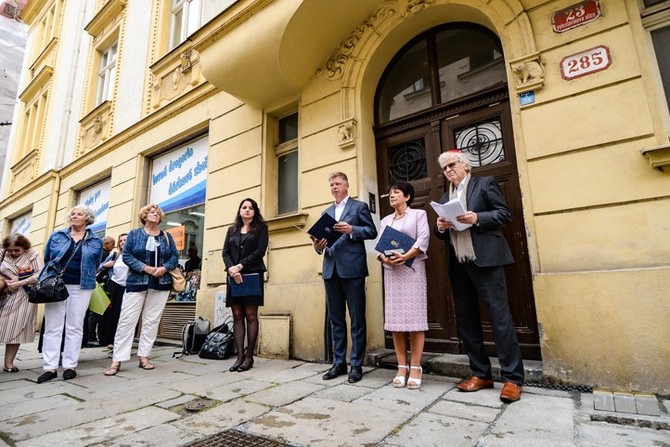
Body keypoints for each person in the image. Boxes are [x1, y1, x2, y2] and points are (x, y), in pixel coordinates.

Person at [434, 150, 524, 403]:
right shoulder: (444, 196)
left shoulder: (484, 184)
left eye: (452, 165)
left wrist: (477, 218)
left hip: (487, 259)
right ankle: (481, 374)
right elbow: (441, 234)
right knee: (467, 320)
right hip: (459, 263)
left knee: (500, 317)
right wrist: (440, 227)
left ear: (465, 165)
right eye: (444, 168)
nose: (448, 170)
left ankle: (512, 379)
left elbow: (503, 214)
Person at [312, 172, 377, 383]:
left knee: (357, 319)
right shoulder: (326, 212)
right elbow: (321, 242)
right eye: (331, 184)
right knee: (336, 320)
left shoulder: (358, 207)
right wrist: (317, 246)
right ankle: (339, 363)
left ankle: (356, 365)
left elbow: (371, 231)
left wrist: (351, 230)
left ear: (347, 185)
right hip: (330, 270)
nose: (334, 187)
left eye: (338, 183)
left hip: (353, 269)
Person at [105, 204, 178, 376]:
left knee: (151, 321)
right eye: (151, 212)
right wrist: (144, 267)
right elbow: (127, 255)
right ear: (144, 216)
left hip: (161, 283)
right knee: (127, 320)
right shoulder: (134, 234)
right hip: (137, 281)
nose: (154, 214)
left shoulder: (166, 236)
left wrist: (164, 268)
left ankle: (144, 356)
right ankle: (117, 359)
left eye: (157, 213)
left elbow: (174, 256)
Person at [37, 205, 103, 383]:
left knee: (75, 326)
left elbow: (96, 263)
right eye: (72, 214)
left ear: (87, 219)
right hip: (56, 285)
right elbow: (48, 258)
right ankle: (50, 367)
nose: (74, 216)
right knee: (53, 326)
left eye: (79, 214)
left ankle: (69, 365)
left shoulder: (96, 240)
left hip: (82, 286)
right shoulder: (57, 236)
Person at [376, 181, 429, 389]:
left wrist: (406, 255)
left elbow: (423, 238)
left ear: (407, 196)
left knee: (414, 319)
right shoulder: (386, 220)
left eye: (396, 192)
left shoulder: (418, 215)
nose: (392, 196)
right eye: (390, 193)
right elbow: (379, 244)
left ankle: (415, 366)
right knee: (396, 320)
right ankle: (401, 366)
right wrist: (384, 258)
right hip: (392, 273)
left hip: (412, 270)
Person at [223, 198, 268, 372]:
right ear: (240, 210)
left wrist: (240, 266)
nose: (247, 210)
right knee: (236, 315)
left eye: (250, 208)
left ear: (255, 211)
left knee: (250, 315)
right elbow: (225, 252)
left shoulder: (261, 229)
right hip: (233, 276)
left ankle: (249, 357)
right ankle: (239, 356)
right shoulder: (231, 229)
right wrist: (232, 270)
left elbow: (260, 251)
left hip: (251, 274)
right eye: (244, 207)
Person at [0, 234, 42, 372]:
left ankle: (9, 363)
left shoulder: (33, 255)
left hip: (23, 296)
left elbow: (40, 274)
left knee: (15, 330)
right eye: (10, 250)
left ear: (24, 247)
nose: (13, 253)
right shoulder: (2, 253)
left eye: (16, 250)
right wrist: (5, 282)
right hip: (3, 293)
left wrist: (19, 283)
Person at [98, 233, 128, 353]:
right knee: (109, 314)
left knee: (122, 314)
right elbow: (99, 266)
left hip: (127, 287)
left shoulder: (134, 255)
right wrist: (106, 265)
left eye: (125, 240)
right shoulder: (115, 255)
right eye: (120, 241)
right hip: (113, 285)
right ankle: (108, 340)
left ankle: (119, 340)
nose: (122, 242)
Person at [87, 236, 116, 347]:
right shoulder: (104, 254)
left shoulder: (99, 253)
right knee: (96, 312)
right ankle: (91, 338)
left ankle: (92, 337)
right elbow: (95, 268)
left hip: (96, 285)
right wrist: (105, 265)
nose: (114, 246)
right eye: (112, 243)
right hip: (99, 286)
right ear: (107, 244)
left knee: (95, 312)